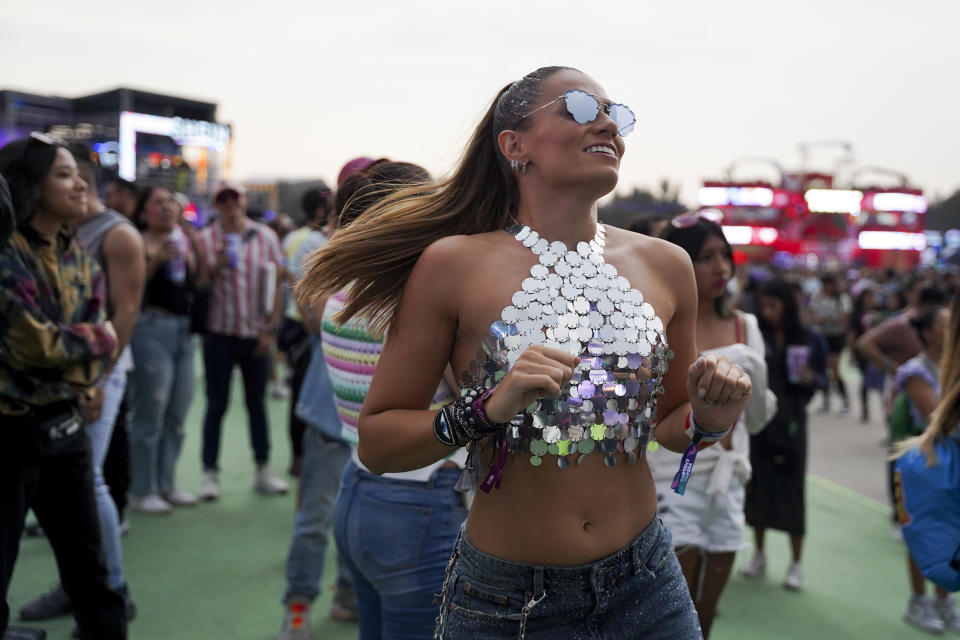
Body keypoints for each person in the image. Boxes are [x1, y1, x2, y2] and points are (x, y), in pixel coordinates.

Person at [298, 66, 751, 639]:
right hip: (508, 601)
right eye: (582, 108)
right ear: (514, 145)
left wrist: (708, 420)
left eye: (617, 112)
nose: (609, 123)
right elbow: (380, 443)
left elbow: (669, 424)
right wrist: (486, 408)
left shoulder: (668, 265)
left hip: (647, 581)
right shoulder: (452, 264)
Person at [0, 134, 126, 639]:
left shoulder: (79, 255)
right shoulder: (6, 253)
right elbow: (30, 345)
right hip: (8, 437)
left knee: (91, 573)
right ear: (31, 185)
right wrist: (95, 341)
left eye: (78, 173)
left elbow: (91, 343)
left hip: (65, 426)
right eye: (63, 174)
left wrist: (86, 365)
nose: (80, 185)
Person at [648, 216, 777, 637]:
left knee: (709, 605)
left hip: (730, 478)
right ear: (677, 261)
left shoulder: (747, 326)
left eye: (724, 254)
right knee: (673, 603)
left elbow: (758, 418)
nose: (720, 266)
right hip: (671, 477)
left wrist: (748, 370)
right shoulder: (658, 324)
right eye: (705, 257)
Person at [194, 180, 288, 499]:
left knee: (257, 404)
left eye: (235, 197)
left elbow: (275, 283)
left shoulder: (265, 236)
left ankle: (262, 468)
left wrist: (269, 330)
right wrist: (212, 268)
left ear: (244, 200)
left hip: (255, 334)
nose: (231, 203)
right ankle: (209, 473)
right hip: (219, 333)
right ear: (216, 204)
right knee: (215, 404)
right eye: (224, 198)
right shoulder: (205, 239)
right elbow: (198, 286)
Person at [741, 277, 827, 591]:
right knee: (759, 489)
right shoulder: (757, 336)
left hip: (792, 423)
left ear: (787, 306)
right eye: (763, 306)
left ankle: (796, 564)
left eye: (773, 305)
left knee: (793, 493)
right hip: (760, 422)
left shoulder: (809, 338)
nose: (767, 312)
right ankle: (759, 554)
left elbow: (822, 381)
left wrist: (810, 378)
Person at [125, 185, 200, 513]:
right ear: (144, 212)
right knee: (149, 415)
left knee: (176, 415)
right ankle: (142, 489)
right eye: (158, 202)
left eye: (171, 200)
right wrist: (156, 259)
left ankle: (167, 484)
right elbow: (131, 288)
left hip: (184, 333)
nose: (167, 207)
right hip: (150, 331)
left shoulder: (184, 239)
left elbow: (197, 284)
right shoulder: (136, 240)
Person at [889, 306, 960, 633]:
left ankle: (943, 601)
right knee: (924, 532)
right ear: (929, 332)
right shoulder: (916, 371)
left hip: (952, 464)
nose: (951, 331)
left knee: (952, 533)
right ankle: (918, 600)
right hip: (927, 468)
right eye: (945, 326)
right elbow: (938, 418)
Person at [277, 186, 335, 476]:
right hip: (304, 326)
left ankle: (299, 457)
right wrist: (311, 323)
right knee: (305, 391)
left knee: (300, 390)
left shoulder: (292, 236)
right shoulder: (314, 240)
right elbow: (300, 286)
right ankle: (301, 457)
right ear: (321, 211)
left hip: (294, 323)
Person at [809, 273, 851, 415]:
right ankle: (826, 401)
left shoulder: (842, 299)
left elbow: (843, 320)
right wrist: (828, 319)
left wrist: (825, 319)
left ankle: (845, 402)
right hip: (822, 337)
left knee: (836, 370)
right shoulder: (818, 297)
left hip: (837, 337)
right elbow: (813, 317)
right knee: (825, 369)